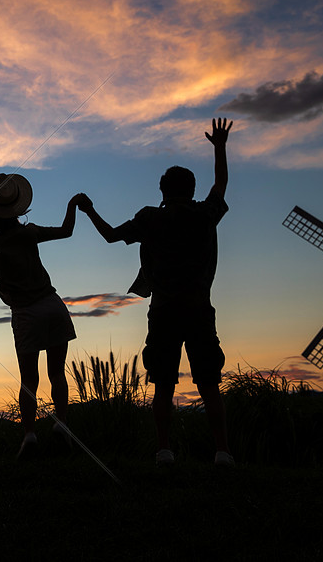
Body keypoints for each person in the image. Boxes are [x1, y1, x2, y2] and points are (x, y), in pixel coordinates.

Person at [79, 118, 235, 467]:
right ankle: (222, 451)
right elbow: (222, 184)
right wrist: (220, 146)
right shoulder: (205, 215)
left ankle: (164, 450)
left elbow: (109, 235)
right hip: (198, 309)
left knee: (163, 384)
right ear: (191, 190)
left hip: (164, 311)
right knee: (209, 383)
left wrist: (89, 210)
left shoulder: (150, 218)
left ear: (162, 190)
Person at [0, 173, 85, 459]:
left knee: (29, 381)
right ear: (17, 209)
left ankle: (30, 435)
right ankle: (62, 425)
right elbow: (67, 230)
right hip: (52, 305)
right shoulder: (29, 233)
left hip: (25, 314)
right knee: (57, 372)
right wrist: (72, 205)